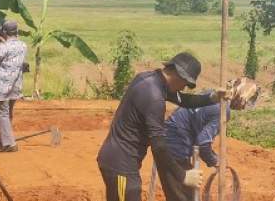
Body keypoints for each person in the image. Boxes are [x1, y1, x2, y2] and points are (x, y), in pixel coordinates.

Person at [97, 52, 228, 201]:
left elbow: (184, 100)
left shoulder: (149, 79)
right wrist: (183, 175)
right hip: (121, 165)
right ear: (180, 76)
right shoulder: (155, 98)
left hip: (120, 161)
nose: (184, 87)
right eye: (186, 83)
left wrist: (212, 97)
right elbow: (158, 146)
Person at [164, 78, 260, 200]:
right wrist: (215, 161)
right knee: (184, 195)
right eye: (248, 100)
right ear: (242, 95)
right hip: (176, 142)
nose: (245, 105)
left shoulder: (212, 95)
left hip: (171, 134)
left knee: (185, 191)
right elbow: (203, 142)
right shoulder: (223, 109)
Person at [0, 20, 27, 152]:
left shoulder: (3, 46)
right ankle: (2, 139)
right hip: (16, 84)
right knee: (8, 112)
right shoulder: (23, 45)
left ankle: (10, 144)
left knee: (1, 113)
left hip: (3, 85)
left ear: (4, 32)